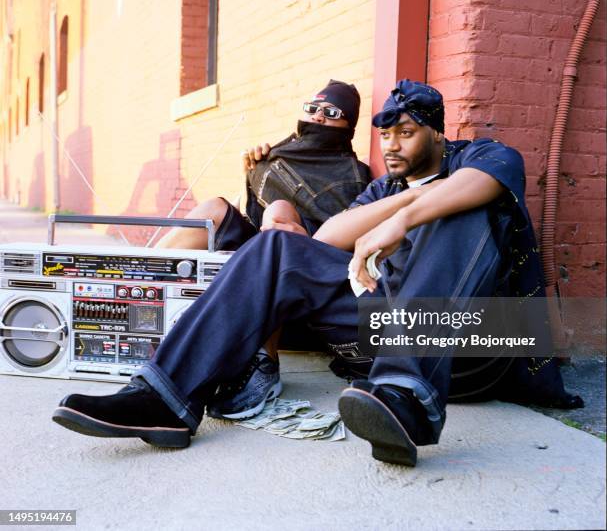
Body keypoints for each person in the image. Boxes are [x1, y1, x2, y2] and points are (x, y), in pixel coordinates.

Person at [52, 80, 577, 466]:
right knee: (275, 248)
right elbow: (327, 239)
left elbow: (486, 183)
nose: (392, 146)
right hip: (383, 330)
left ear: (438, 134)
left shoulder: (480, 156)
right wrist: (391, 212)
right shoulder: (382, 190)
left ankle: (408, 395)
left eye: (407, 133)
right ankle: (164, 399)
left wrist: (410, 214)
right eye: (385, 135)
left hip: (470, 346)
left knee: (462, 206)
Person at [156, 79, 371, 419]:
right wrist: (253, 174)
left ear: (349, 125)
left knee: (278, 216)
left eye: (332, 113)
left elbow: (337, 246)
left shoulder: (357, 176)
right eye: (312, 109)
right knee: (213, 208)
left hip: (306, 288)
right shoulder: (279, 155)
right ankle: (140, 292)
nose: (318, 118)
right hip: (259, 261)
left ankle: (264, 363)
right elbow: (251, 218)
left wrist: (281, 217)